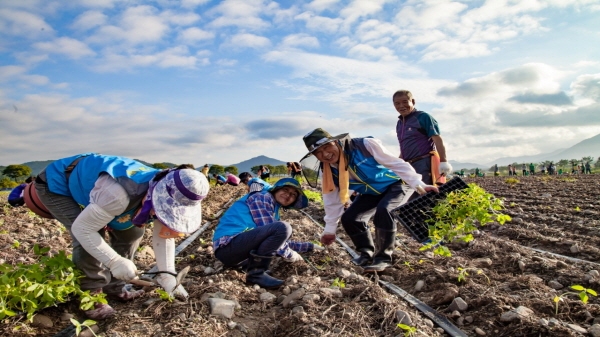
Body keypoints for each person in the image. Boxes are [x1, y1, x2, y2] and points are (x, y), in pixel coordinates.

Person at [27, 153, 209, 320]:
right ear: (156, 193)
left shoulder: (168, 186)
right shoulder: (117, 194)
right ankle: (90, 295)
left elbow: (165, 233)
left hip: (102, 192)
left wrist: (168, 275)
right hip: (58, 183)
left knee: (133, 231)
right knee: (92, 233)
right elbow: (83, 229)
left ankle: (114, 287)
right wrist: (114, 260)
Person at [300, 128, 438, 273]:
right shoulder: (327, 170)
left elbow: (396, 164)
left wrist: (419, 184)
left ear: (335, 142)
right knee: (350, 218)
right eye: (318, 153)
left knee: (385, 210)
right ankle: (366, 253)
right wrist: (330, 229)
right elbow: (331, 199)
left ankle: (383, 258)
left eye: (327, 147)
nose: (325, 154)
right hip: (371, 192)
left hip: (396, 184)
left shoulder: (364, 145)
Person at [212, 178, 317, 289]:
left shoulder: (274, 209)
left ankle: (249, 266)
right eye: (285, 190)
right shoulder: (262, 197)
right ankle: (256, 274)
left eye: (293, 195)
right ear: (276, 189)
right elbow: (276, 236)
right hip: (229, 246)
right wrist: (291, 255)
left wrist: (307, 246)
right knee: (283, 228)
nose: (288, 195)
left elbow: (274, 242)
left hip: (236, 252)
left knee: (281, 230)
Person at [394, 90, 451, 188]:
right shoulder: (399, 124)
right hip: (409, 165)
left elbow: (437, 139)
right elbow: (405, 147)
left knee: (425, 195)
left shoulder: (423, 117)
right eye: (397, 103)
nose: (401, 106)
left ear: (413, 101)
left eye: (404, 102)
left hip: (424, 162)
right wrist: (397, 164)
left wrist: (443, 161)